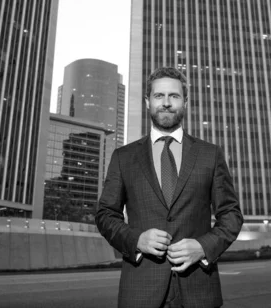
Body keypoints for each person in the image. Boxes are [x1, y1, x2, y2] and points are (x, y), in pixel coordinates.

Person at [96, 67, 243, 308]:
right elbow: (105, 215)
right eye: (158, 96)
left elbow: (231, 215)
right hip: (140, 292)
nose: (166, 103)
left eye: (174, 96)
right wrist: (137, 240)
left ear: (185, 102)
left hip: (199, 291)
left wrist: (203, 247)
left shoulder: (210, 155)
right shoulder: (123, 157)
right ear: (147, 102)